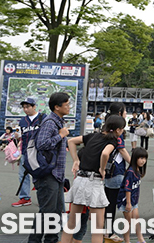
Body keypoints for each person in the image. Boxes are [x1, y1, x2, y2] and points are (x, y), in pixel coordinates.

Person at [61, 115, 127, 243]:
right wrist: (102, 169)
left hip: (80, 179)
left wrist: (76, 160)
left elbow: (71, 141)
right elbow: (105, 153)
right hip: (94, 181)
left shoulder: (93, 135)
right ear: (118, 130)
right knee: (97, 228)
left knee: (71, 223)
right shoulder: (113, 141)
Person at [29, 92, 71, 243]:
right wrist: (60, 136)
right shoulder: (50, 122)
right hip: (48, 174)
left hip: (56, 174)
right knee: (47, 212)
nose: (69, 107)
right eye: (66, 104)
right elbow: (42, 144)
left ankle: (51, 239)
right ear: (57, 107)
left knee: (56, 211)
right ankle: (35, 241)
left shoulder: (58, 121)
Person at [103, 102, 131, 243]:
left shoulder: (107, 127)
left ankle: (106, 230)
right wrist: (133, 165)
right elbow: (122, 150)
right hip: (116, 171)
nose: (126, 114)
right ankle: (109, 232)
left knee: (108, 202)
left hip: (107, 171)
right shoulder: (117, 131)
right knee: (114, 203)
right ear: (120, 113)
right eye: (125, 111)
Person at [14, 97, 45, 206]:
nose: (26, 109)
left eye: (28, 107)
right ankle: (25, 197)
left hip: (39, 152)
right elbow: (18, 134)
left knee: (40, 175)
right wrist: (17, 136)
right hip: (25, 151)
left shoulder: (43, 118)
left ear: (34, 106)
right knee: (23, 175)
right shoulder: (22, 120)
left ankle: (43, 198)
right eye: (24, 107)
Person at [117, 147, 148, 243]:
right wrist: (128, 203)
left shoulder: (138, 170)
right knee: (128, 221)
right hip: (126, 200)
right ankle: (127, 241)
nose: (143, 161)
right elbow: (127, 189)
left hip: (133, 200)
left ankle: (140, 239)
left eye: (145, 158)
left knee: (136, 219)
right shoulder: (130, 172)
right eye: (141, 158)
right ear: (135, 159)